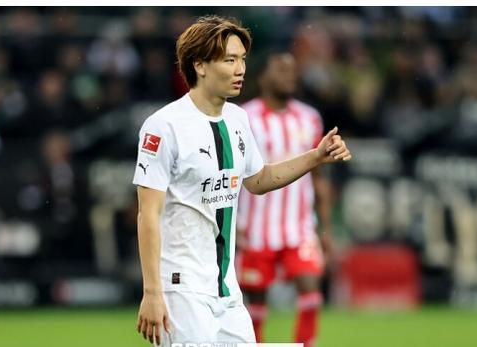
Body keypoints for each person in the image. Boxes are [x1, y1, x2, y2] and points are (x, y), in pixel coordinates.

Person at [133, 15, 351, 346]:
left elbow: (259, 178)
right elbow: (148, 213)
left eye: (243, 60)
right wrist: (152, 292)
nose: (240, 69)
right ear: (200, 65)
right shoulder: (164, 127)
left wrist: (315, 156)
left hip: (226, 287)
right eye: (229, 60)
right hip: (182, 287)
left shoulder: (237, 118)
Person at [237, 51, 335, 346]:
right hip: (254, 227)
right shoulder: (244, 118)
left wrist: (326, 229)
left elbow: (319, 177)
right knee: (255, 302)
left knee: (311, 288)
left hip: (299, 225)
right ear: (263, 76)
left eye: (292, 71)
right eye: (280, 69)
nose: (288, 76)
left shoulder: (309, 118)